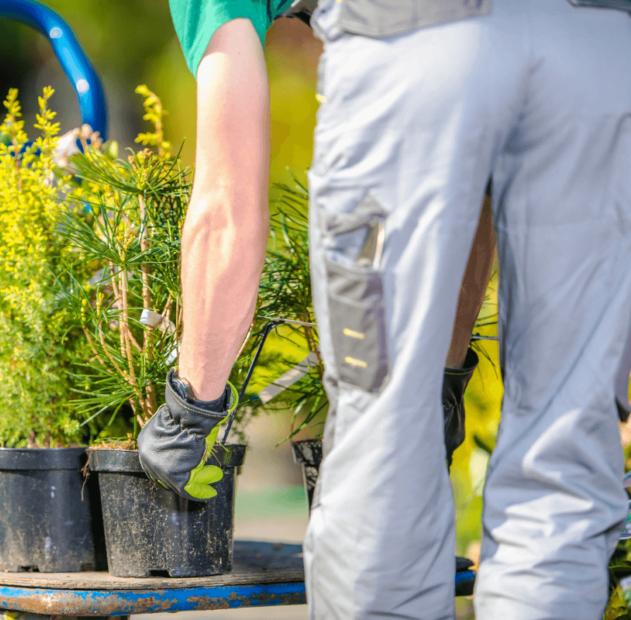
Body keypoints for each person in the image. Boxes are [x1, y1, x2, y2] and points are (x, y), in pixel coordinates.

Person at [137, 0, 631, 618]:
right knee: (563, 457)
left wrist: (191, 405)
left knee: (381, 464)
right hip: (599, 49)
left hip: (413, 38)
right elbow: (471, 184)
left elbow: (226, 208)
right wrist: (440, 378)